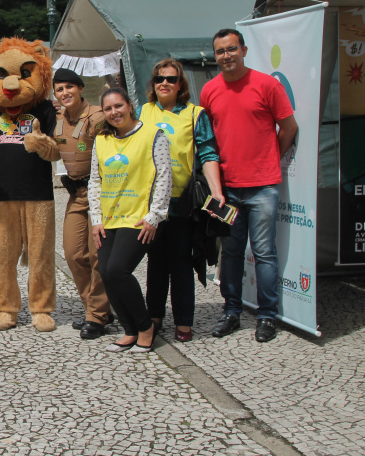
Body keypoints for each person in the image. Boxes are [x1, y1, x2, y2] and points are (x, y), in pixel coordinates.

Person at [200, 28, 298, 343]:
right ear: (214, 56)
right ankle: (231, 312)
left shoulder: (267, 85)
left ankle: (267, 317)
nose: (226, 55)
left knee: (265, 252)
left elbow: (289, 127)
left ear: (243, 50)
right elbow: (208, 142)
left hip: (262, 186)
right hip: (226, 189)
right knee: (230, 252)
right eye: (219, 51)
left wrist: (271, 158)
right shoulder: (209, 91)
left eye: (231, 49)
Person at [137, 59, 223, 342]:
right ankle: (155, 316)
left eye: (171, 79)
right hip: (152, 205)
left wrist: (216, 191)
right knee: (155, 262)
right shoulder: (144, 111)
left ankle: (184, 320)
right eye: (159, 78)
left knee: (181, 264)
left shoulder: (195, 114)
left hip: (182, 203)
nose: (165, 83)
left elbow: (208, 153)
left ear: (180, 84)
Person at [88, 87, 171, 353]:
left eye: (118, 106)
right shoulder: (101, 139)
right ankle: (129, 329)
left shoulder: (153, 134)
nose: (114, 112)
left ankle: (146, 327)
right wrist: (96, 218)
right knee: (105, 272)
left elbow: (163, 177)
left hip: (138, 217)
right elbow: (95, 180)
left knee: (118, 270)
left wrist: (154, 216)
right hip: (109, 217)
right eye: (108, 109)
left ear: (130, 106)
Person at [51, 68, 112, 340]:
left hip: (102, 193)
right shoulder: (58, 119)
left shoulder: (98, 117)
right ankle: (96, 307)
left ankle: (96, 315)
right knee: (74, 253)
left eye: (69, 87)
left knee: (97, 255)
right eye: (59, 89)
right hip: (76, 193)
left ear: (80, 88)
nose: (65, 93)